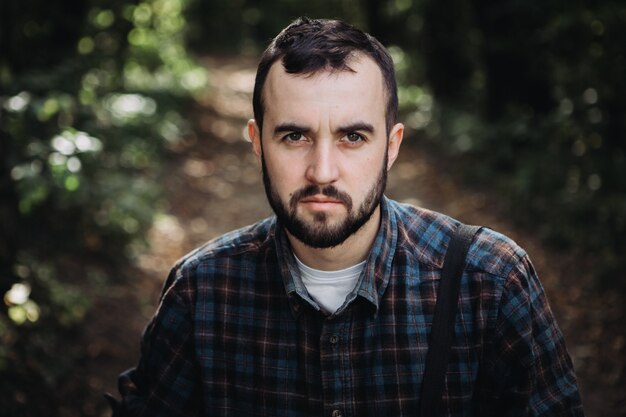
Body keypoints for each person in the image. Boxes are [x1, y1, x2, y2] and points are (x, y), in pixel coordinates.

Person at [109, 17, 584, 416]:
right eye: (294, 136)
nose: (322, 171)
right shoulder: (201, 293)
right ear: (257, 143)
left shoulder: (491, 282)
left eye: (352, 137)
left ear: (392, 146)